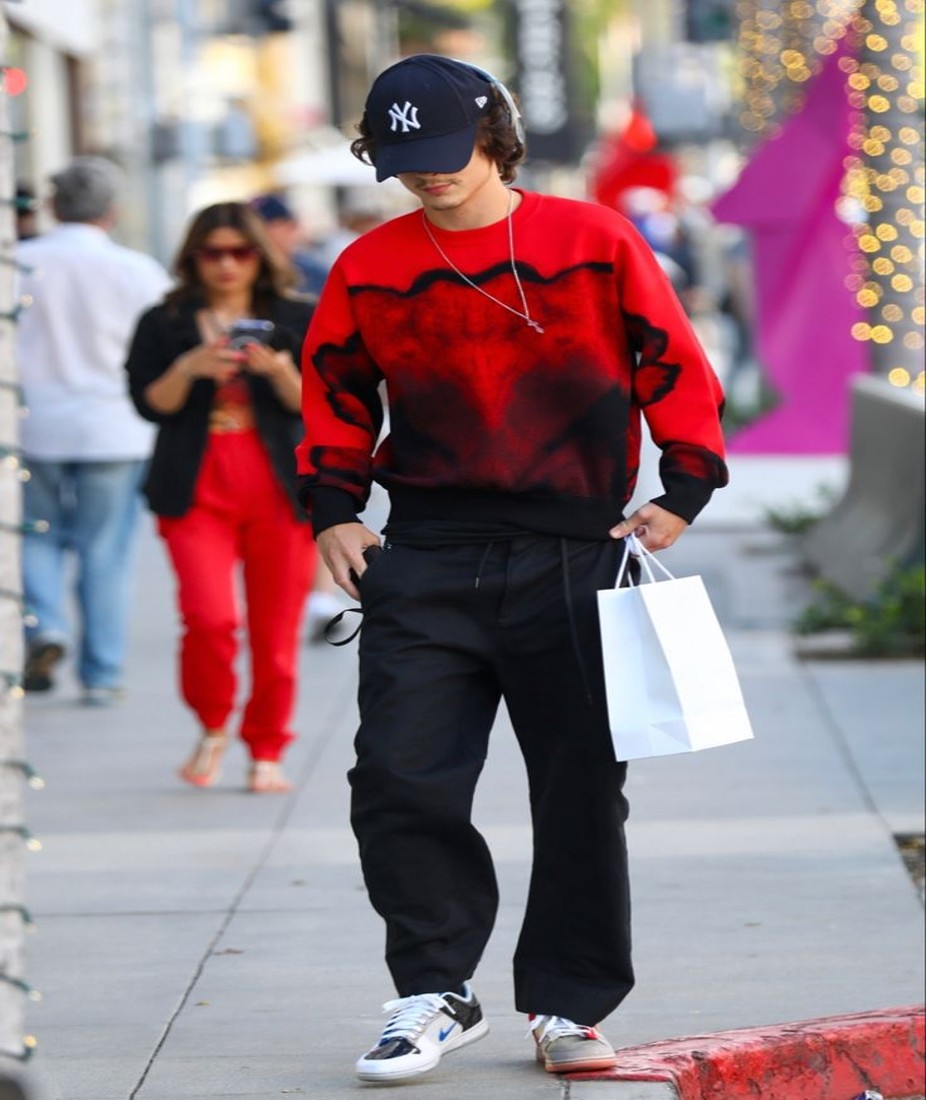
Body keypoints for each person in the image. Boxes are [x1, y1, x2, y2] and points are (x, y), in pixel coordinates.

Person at [295, 55, 728, 1084]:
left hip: (572, 551)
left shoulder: (593, 238)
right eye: (405, 160)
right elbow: (336, 389)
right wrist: (333, 512)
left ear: (493, 134)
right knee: (397, 775)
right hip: (429, 553)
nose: (430, 176)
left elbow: (671, 359)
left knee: (579, 788)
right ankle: (433, 989)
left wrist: (685, 485)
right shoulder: (370, 262)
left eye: (446, 153)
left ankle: (568, 1002)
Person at [125, 202, 316, 793]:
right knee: (210, 619)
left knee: (276, 630)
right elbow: (148, 402)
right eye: (214, 253)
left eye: (241, 251)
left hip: (279, 490)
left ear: (261, 254)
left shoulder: (294, 315)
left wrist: (279, 371)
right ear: (194, 258)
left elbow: (320, 403)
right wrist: (190, 366)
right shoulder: (167, 320)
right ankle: (212, 724)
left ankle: (266, 747)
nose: (228, 264)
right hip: (195, 486)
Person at [17, 156, 171, 702]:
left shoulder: (19, 262)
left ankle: (45, 625)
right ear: (113, 211)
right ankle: (102, 676)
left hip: (32, 422)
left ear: (53, 205)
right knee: (105, 550)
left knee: (34, 535)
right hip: (115, 425)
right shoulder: (138, 270)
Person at [249, 193, 328, 297]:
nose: (255, 233)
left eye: (265, 226)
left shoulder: (314, 273)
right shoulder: (249, 270)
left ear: (290, 227)